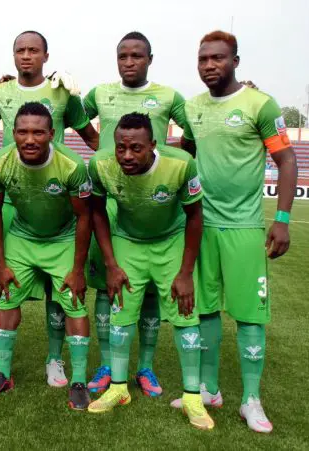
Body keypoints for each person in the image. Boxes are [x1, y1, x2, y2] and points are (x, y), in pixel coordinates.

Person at [171, 31, 297, 434]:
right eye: (203, 59)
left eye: (218, 58)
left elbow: (287, 159)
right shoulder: (192, 108)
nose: (209, 65)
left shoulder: (260, 104)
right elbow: (186, 153)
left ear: (235, 62)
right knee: (204, 309)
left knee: (249, 314)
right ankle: (209, 389)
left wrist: (282, 219)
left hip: (244, 227)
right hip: (201, 226)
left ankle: (251, 399)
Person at [0, 30, 98, 388]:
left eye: (33, 50)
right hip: (15, 204)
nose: (26, 56)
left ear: (46, 55)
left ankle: (57, 360)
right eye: (20, 50)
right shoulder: (0, 93)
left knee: (62, 291)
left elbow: (90, 137)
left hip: (56, 202)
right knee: (4, 284)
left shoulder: (63, 93)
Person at [86, 112, 213, 430]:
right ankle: (118, 389)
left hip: (170, 241)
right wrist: (111, 264)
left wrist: (185, 272)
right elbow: (97, 212)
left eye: (136, 148)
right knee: (121, 314)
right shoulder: (100, 165)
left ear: (153, 145)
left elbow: (195, 217)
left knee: (185, 315)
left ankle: (192, 397)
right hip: (128, 242)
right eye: (121, 147)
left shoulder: (181, 164)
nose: (127, 155)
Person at [82, 31, 191, 396]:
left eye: (137, 56)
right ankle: (108, 364)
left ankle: (145, 366)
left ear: (149, 59)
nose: (129, 62)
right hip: (110, 194)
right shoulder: (100, 93)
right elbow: (73, 116)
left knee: (149, 291)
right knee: (106, 284)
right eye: (123, 56)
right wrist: (98, 148)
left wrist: (171, 156)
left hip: (149, 197)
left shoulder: (168, 96)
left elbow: (193, 129)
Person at [0, 102, 92, 411]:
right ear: (13, 132)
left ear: (52, 134)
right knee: (7, 298)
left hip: (63, 238)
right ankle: (3, 375)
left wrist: (78, 269)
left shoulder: (72, 166)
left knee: (74, 302)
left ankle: (79, 382)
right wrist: (1, 264)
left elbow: (84, 217)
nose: (29, 139)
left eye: (38, 133)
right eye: (23, 132)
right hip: (23, 237)